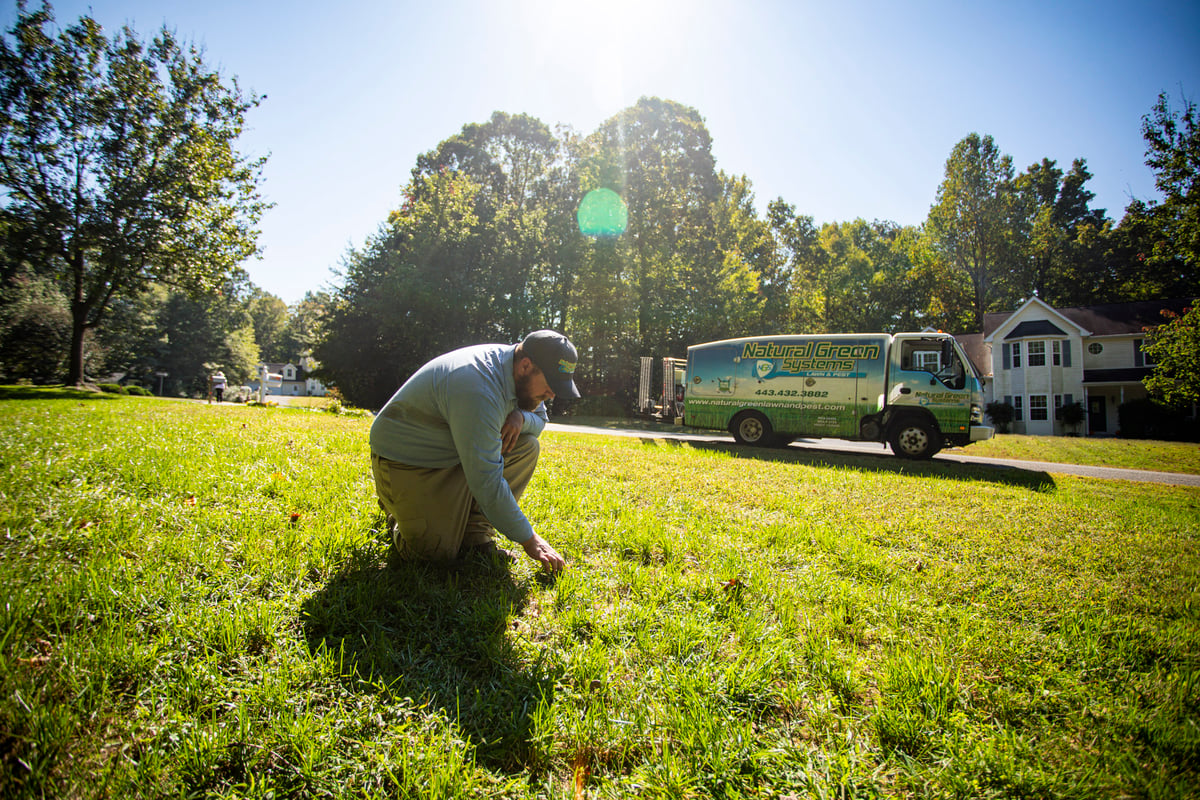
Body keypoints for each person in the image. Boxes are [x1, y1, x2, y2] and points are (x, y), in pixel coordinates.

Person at [369, 330, 580, 572]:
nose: (552, 394)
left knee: (527, 445)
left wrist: (520, 417)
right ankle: (395, 510)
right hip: (407, 463)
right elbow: (486, 481)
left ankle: (475, 537)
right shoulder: (479, 387)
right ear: (525, 366)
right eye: (551, 384)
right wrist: (531, 540)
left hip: (453, 454)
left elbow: (540, 421)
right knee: (433, 555)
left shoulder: (519, 372)